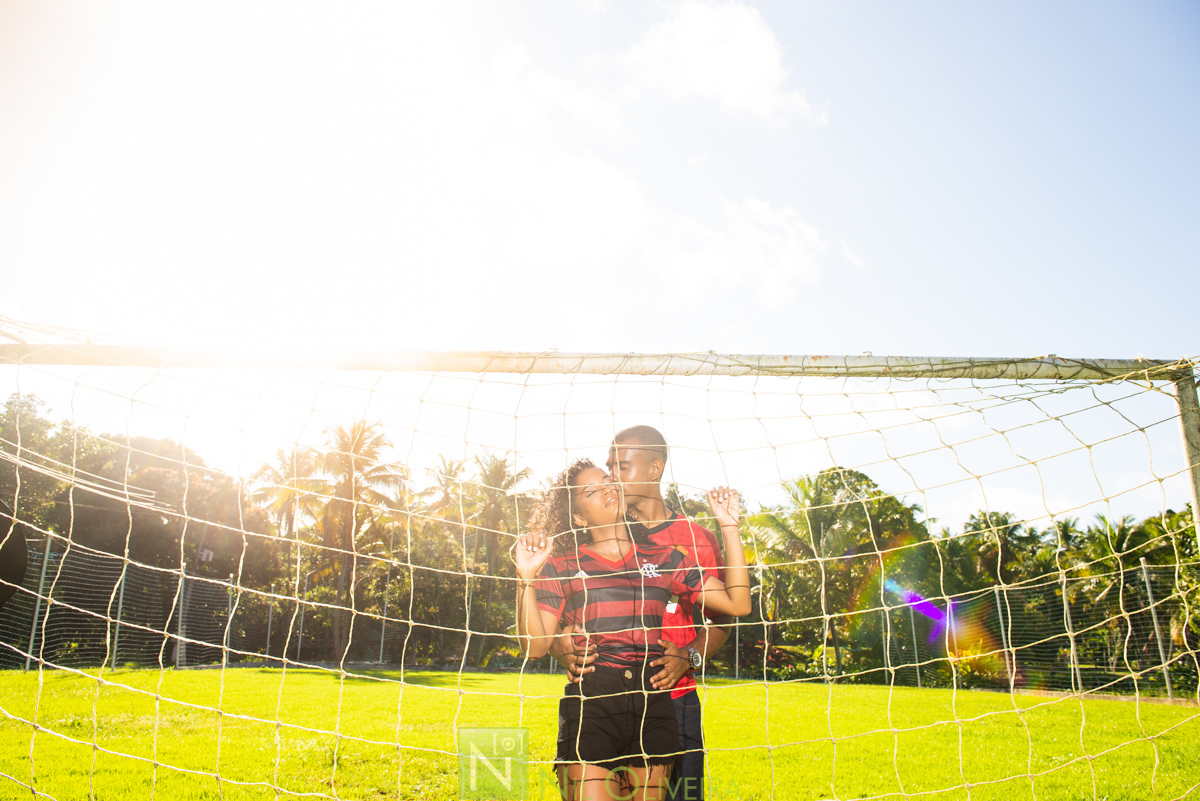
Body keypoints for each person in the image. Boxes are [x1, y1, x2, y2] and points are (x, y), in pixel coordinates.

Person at [515, 459, 750, 801]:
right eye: (591, 491)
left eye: (608, 481)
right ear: (579, 517)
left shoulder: (666, 558)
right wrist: (526, 579)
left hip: (652, 700)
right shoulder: (562, 564)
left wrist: (729, 527)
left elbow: (738, 605)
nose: (607, 488)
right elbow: (535, 647)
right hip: (593, 701)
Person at [554, 426, 730, 801]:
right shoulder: (590, 530)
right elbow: (555, 605)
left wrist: (690, 658)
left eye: (621, 466)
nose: (611, 477)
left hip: (672, 697)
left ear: (654, 470)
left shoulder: (698, 539)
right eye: (608, 468)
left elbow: (724, 620)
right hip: (601, 694)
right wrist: (557, 643)